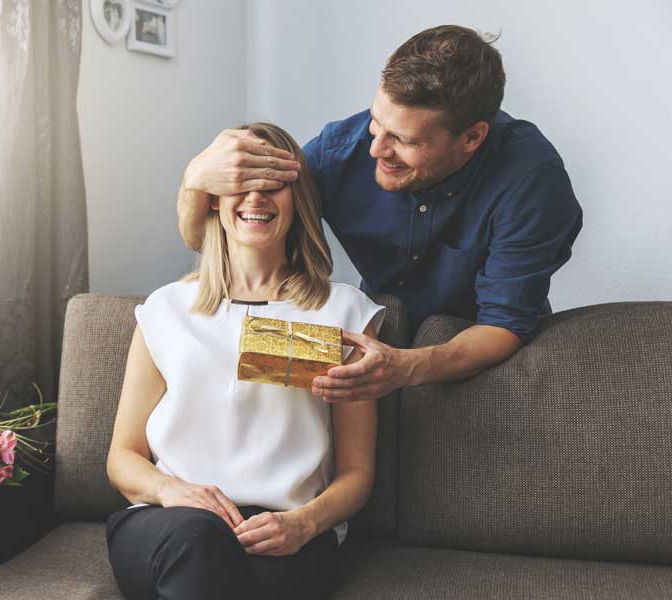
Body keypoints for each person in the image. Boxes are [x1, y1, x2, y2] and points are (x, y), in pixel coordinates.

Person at [177, 25, 584, 405]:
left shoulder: (532, 178)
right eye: (376, 124)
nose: (376, 150)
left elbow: (505, 323)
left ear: (471, 137)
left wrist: (404, 366)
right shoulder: (341, 151)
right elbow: (224, 237)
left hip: (482, 352)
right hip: (379, 324)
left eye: (403, 140)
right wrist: (195, 179)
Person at [106, 123, 385, 599]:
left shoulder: (342, 312)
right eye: (241, 183)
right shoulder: (167, 309)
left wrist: (303, 524)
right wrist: (173, 493)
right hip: (169, 524)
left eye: (273, 184)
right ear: (214, 198)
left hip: (286, 532)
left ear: (297, 201)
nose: (256, 198)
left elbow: (357, 473)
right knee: (198, 542)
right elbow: (122, 457)